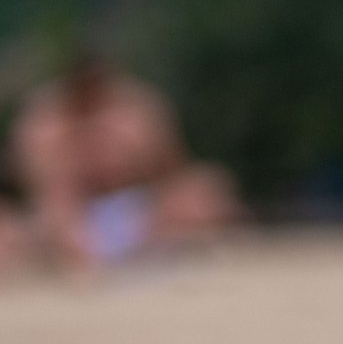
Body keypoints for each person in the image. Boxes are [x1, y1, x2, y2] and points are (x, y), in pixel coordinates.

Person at [8, 49, 238, 271]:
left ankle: (164, 248)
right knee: (50, 218)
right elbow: (37, 186)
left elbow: (172, 169)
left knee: (206, 188)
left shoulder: (138, 107)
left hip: (140, 208)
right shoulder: (44, 119)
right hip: (74, 218)